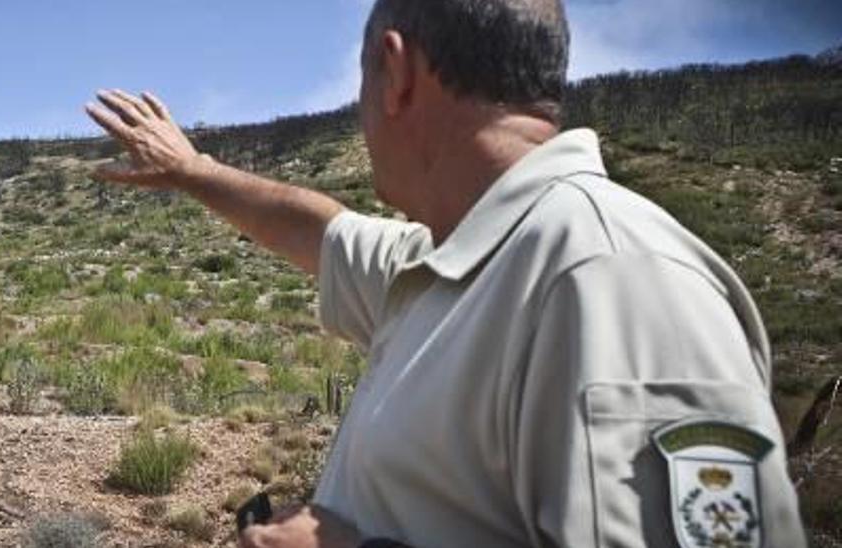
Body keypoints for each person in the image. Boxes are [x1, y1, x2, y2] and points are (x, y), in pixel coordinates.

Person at [84, 0, 806, 546]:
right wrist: (193, 171)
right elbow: (319, 229)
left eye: (361, 83)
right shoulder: (447, 264)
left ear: (395, 72)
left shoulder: (609, 279)